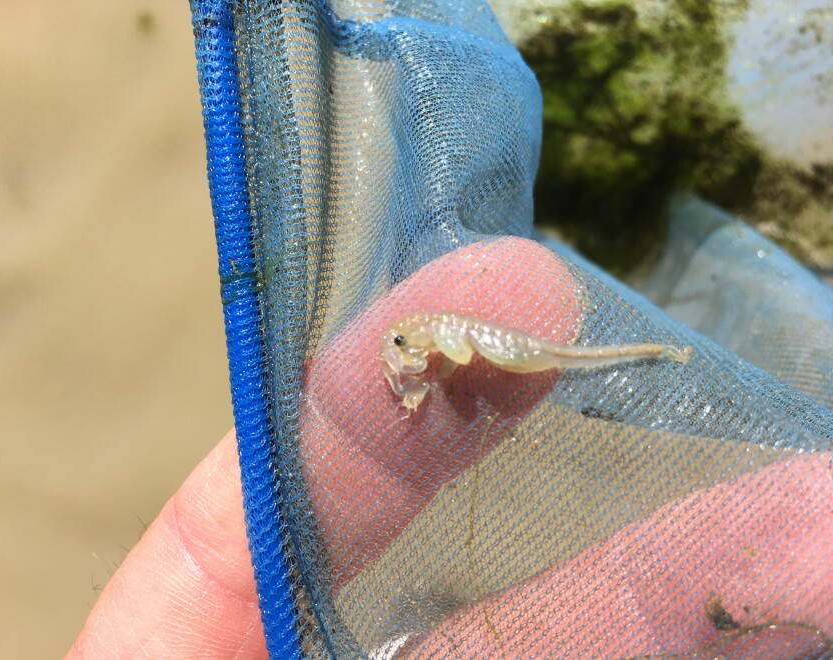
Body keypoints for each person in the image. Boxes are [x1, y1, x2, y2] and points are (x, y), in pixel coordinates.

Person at [67, 239, 832, 658]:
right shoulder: (425, 345)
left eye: (403, 343)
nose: (399, 350)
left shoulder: (441, 341)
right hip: (483, 348)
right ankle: (656, 353)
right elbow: (432, 361)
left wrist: (434, 373)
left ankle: (657, 353)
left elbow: (457, 358)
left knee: (579, 357)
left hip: (513, 348)